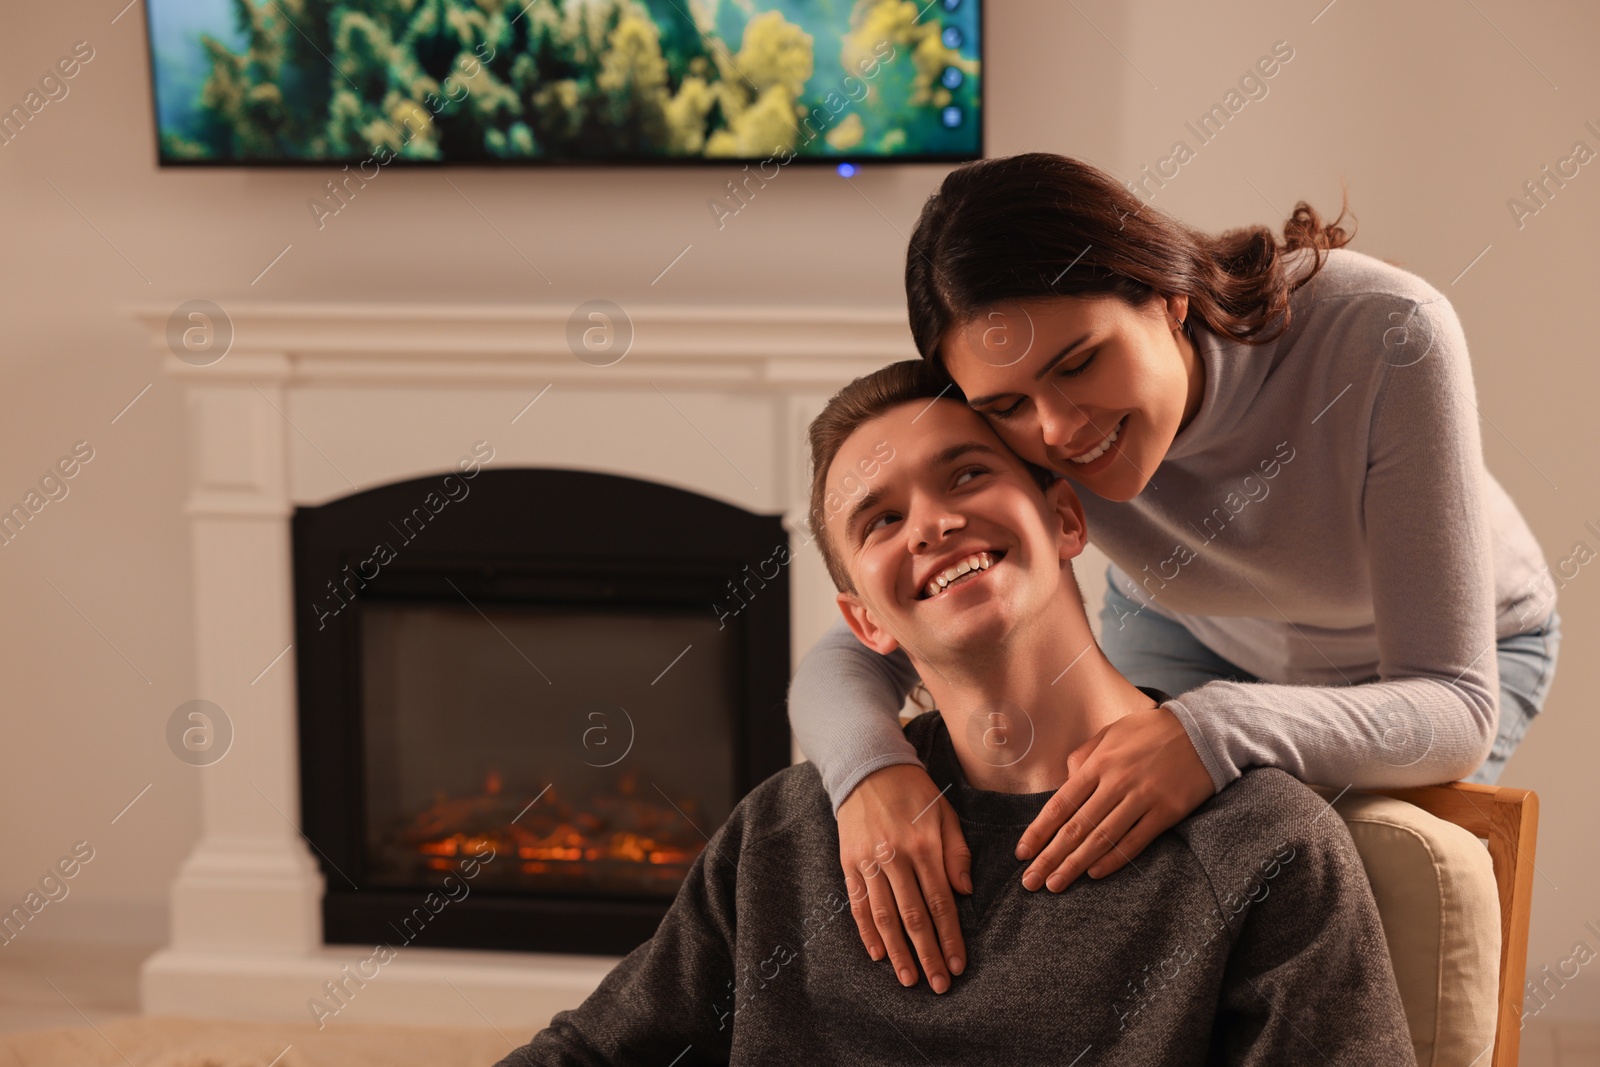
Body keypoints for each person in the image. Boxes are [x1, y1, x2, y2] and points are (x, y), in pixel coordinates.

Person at [788, 152, 1563, 994]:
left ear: (1167, 294)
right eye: (1005, 405)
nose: (1058, 431)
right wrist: (872, 771)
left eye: (1079, 362)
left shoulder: (1386, 331)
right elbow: (861, 644)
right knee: (1114, 861)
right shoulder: (1022, 428)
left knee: (1327, 893)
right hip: (1187, 621)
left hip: (1439, 657)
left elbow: (1454, 700)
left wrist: (1215, 728)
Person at [494, 361, 1417, 1066]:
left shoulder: (1263, 846)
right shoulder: (788, 832)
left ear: (1064, 518)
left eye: (966, 474)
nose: (930, 523)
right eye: (879, 520)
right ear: (864, 619)